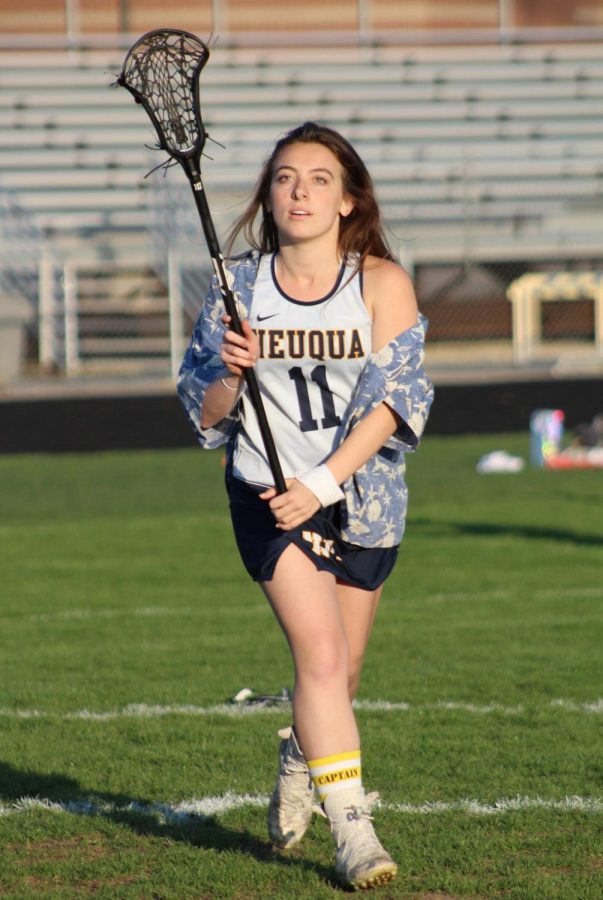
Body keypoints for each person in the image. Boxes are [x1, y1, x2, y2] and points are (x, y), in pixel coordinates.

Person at [177, 121, 433, 890]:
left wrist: (321, 484)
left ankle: (302, 754)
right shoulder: (238, 288)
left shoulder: (380, 282)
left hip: (359, 495)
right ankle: (353, 833)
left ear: (348, 199)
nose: (299, 191)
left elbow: (395, 401)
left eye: (319, 178)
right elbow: (203, 412)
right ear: (268, 194)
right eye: (285, 177)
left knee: (342, 674)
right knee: (318, 656)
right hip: (265, 491)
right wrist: (230, 368)